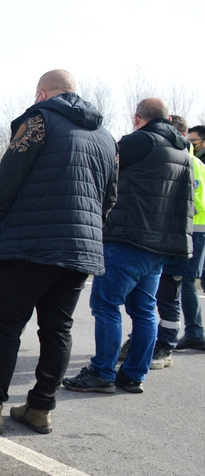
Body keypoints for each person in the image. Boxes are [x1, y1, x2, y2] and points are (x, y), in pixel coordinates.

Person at [0, 70, 118, 435]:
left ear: (42, 94)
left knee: (6, 329)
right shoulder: (106, 137)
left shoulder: (39, 120)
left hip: (29, 247)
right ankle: (39, 409)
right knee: (58, 330)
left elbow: (7, 181)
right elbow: (110, 198)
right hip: (79, 250)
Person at [63, 98, 193, 395]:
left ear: (137, 118)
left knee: (106, 305)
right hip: (160, 245)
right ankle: (134, 375)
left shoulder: (140, 141)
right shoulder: (182, 150)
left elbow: (104, 169)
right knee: (145, 309)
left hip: (128, 238)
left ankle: (102, 372)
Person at [119, 116, 205, 368]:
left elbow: (196, 203)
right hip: (166, 232)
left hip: (188, 233)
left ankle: (166, 345)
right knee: (150, 293)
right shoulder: (175, 158)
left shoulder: (191, 163)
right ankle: (143, 340)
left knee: (171, 291)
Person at [178, 124, 205, 351]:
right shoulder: (196, 162)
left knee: (186, 281)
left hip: (195, 230)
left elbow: (196, 202)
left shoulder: (191, 163)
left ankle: (195, 332)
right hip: (198, 230)